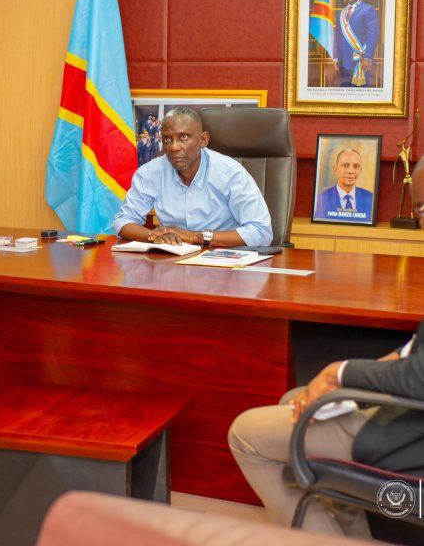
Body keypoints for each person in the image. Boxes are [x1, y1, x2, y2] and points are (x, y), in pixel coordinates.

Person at [228, 157, 424, 538]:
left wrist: (340, 372)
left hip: (410, 436)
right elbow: (415, 355)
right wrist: (362, 373)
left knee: (245, 435)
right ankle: (353, 534)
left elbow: (418, 378)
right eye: (419, 210)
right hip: (411, 415)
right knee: (296, 400)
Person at [112, 107, 272, 248]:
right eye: (167, 139)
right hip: (172, 258)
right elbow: (123, 221)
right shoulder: (150, 173)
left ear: (203, 140)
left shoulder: (230, 173)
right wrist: (156, 237)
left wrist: (194, 237)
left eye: (183, 137)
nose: (174, 147)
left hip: (223, 259)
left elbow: (261, 232)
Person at [333, 0, 380, 87]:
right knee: (345, 92)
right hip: (343, 62)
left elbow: (372, 36)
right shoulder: (341, 13)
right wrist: (336, 57)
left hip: (361, 61)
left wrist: (368, 58)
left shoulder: (368, 9)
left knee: (360, 92)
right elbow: (338, 37)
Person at [314, 148, 374, 223]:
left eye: (356, 166)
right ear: (335, 169)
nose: (351, 171)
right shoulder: (321, 199)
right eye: (345, 165)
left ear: (360, 170)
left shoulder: (370, 198)